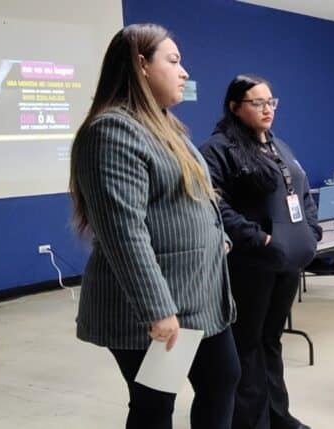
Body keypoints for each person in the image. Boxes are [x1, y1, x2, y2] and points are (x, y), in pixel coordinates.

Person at [69, 24, 240, 429]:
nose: (184, 72)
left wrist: (221, 238)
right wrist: (158, 310)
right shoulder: (112, 130)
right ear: (140, 65)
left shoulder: (165, 126)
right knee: (155, 404)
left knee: (222, 379)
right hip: (157, 307)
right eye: (174, 61)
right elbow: (122, 231)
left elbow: (194, 198)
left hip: (196, 294)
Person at [199, 75, 321, 429]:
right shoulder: (217, 149)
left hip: (286, 261)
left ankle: (278, 416)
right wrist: (259, 240)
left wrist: (310, 231)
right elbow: (214, 207)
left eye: (271, 102)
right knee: (247, 345)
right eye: (258, 103)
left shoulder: (279, 146)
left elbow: (302, 193)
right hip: (250, 264)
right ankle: (253, 422)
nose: (267, 109)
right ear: (235, 107)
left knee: (271, 340)